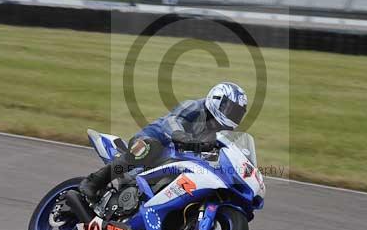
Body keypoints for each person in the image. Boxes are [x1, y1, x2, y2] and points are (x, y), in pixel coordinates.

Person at [79, 82, 248, 201]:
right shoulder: (196, 107)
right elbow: (172, 121)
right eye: (231, 110)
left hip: (179, 160)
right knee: (148, 148)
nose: (233, 116)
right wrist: (181, 136)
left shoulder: (221, 132)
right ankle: (94, 182)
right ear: (217, 99)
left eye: (237, 113)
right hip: (155, 140)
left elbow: (225, 150)